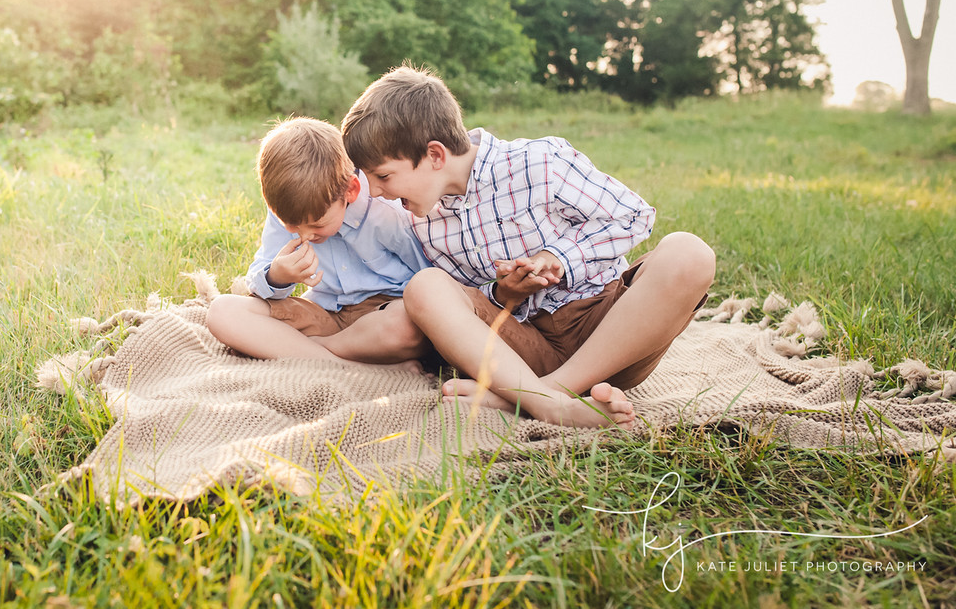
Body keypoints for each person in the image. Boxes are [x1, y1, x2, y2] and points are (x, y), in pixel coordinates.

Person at [340, 66, 716, 429]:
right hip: (523, 347)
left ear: (435, 155)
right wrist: (502, 292)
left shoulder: (539, 162)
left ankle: (546, 396)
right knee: (424, 286)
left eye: (384, 176)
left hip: (610, 328)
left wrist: (559, 257)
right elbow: (467, 308)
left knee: (690, 253)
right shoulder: (422, 220)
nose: (375, 191)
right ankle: (545, 399)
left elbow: (633, 216)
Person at [206, 116, 432, 365]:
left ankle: (310, 351)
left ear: (350, 191)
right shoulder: (286, 208)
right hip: (325, 312)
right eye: (291, 226)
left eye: (317, 224)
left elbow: (429, 277)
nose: (303, 235)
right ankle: (344, 363)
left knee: (406, 327)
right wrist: (278, 276)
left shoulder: (384, 212)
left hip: (383, 313)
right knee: (222, 311)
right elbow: (259, 278)